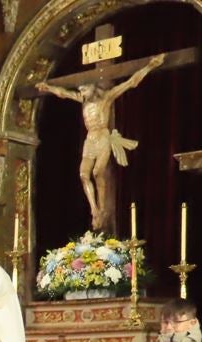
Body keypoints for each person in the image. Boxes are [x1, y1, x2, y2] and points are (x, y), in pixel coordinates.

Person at [36, 54, 164, 233]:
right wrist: (48, 87)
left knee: (97, 172)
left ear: (92, 86)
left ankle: (102, 209)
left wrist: (150, 66)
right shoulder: (82, 101)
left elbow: (130, 83)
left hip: (103, 136)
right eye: (80, 89)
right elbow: (63, 93)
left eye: (84, 88)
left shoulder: (106, 98)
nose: (81, 92)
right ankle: (94, 209)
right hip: (90, 139)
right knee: (83, 174)